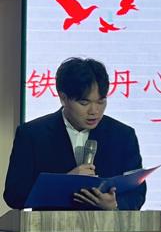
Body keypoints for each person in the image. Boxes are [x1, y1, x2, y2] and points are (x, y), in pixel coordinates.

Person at [3, 57, 146, 210]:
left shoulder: (123, 135)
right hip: (51, 225)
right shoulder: (32, 134)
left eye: (101, 101)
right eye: (84, 103)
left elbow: (137, 193)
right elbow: (14, 196)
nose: (94, 111)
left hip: (107, 225)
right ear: (63, 98)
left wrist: (115, 204)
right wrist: (63, 183)